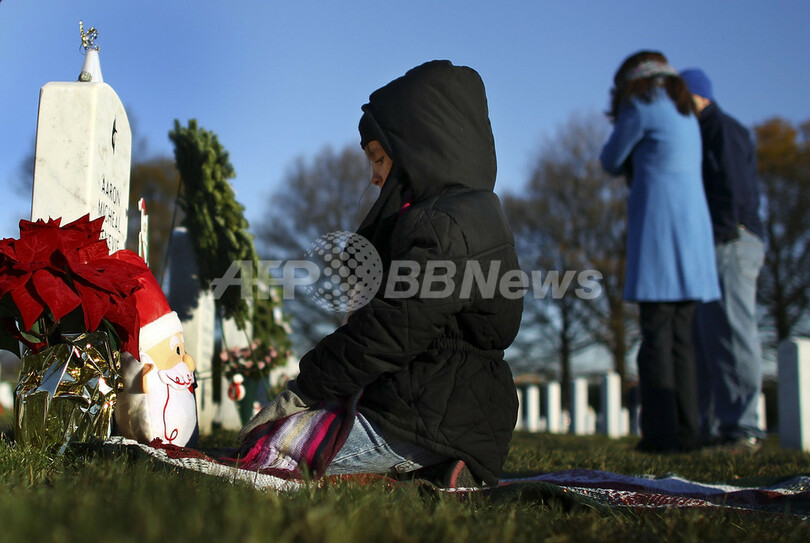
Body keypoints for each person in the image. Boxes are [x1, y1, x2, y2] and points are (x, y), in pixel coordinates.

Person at [241, 60, 522, 487]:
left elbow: (390, 331)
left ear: (419, 151)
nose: (373, 177)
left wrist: (307, 386)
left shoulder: (440, 226)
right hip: (454, 411)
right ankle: (439, 472)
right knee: (293, 437)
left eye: (378, 159)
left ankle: (430, 462)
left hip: (424, 419)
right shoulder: (475, 212)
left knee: (269, 448)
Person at [599, 51, 720, 453]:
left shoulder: (643, 102)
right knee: (683, 340)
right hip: (693, 233)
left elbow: (610, 159)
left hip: (659, 231)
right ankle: (689, 431)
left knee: (655, 337)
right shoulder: (685, 108)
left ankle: (660, 435)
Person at [680, 68, 766, 453]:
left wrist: (720, 234)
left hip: (730, 241)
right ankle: (716, 429)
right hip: (716, 243)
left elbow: (732, 187)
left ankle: (743, 428)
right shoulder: (702, 131)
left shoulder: (722, 129)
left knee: (732, 333)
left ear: (695, 95)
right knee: (708, 337)